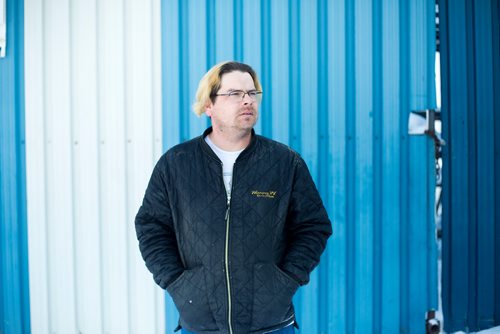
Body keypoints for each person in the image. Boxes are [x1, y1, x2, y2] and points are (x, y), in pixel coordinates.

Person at [135, 61, 332, 334]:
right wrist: (176, 282)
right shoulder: (176, 164)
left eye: (252, 93)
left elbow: (313, 226)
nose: (247, 101)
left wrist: (286, 280)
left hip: (271, 325)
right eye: (234, 94)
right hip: (200, 326)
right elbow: (151, 227)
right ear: (208, 105)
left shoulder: (285, 162)